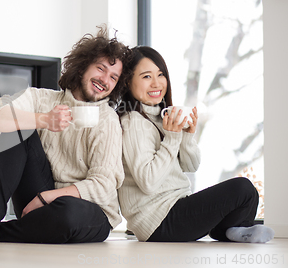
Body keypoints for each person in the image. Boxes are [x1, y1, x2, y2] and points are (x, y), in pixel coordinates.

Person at [0, 26, 130, 244]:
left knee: (68, 213)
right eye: (100, 69)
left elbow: (102, 185)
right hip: (39, 195)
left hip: (87, 209)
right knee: (17, 124)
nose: (105, 80)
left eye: (113, 77)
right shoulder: (41, 98)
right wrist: (42, 119)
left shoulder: (107, 119)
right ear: (82, 67)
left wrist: (47, 197)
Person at [117, 45, 274, 243]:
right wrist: (173, 138)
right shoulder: (132, 122)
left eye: (161, 75)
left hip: (176, 207)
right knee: (241, 189)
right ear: (128, 81)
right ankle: (235, 230)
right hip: (157, 222)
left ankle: (231, 231)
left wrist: (186, 137)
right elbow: (148, 182)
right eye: (146, 76)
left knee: (249, 194)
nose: (156, 83)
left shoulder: (160, 116)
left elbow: (191, 166)